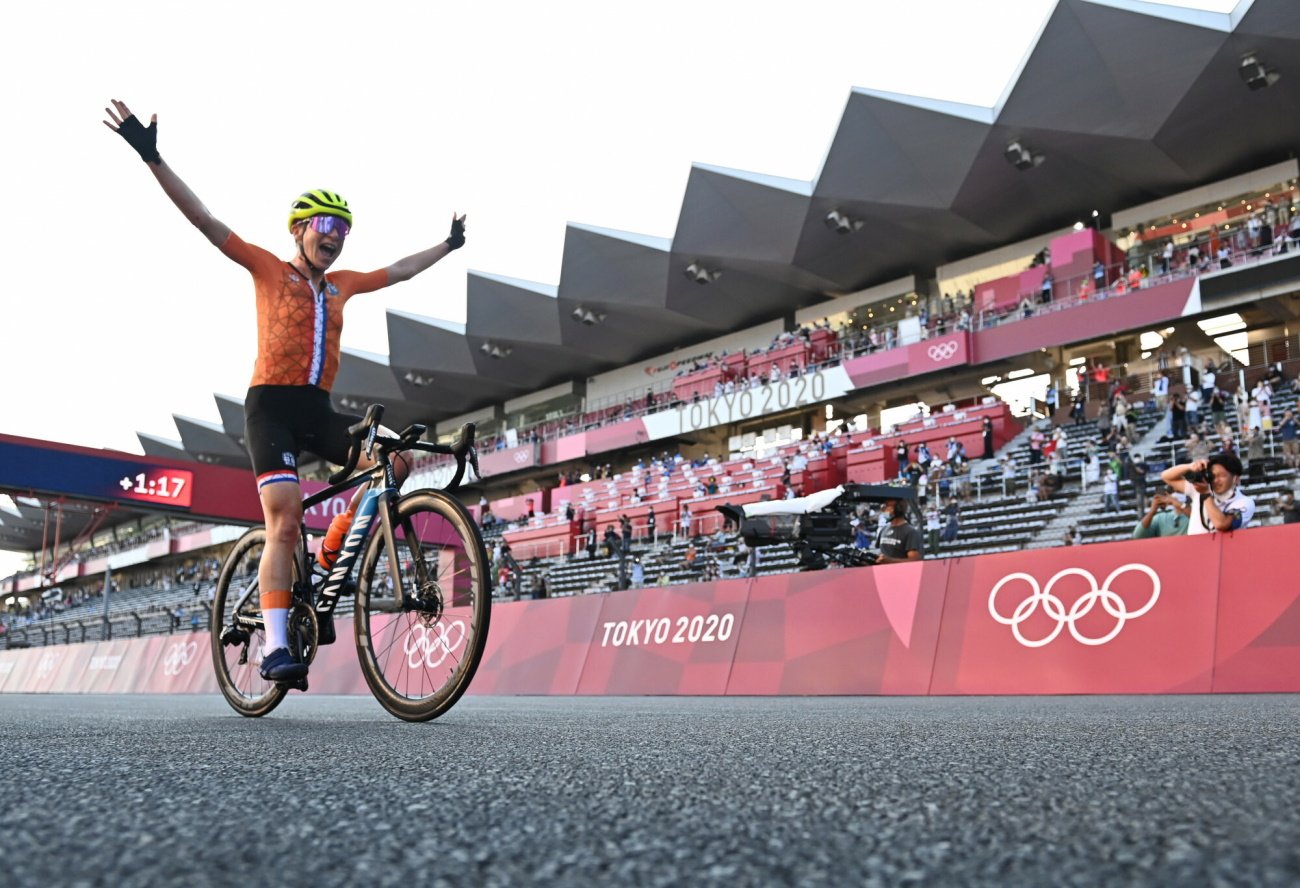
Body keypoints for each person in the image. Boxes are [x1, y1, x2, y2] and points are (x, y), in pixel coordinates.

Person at [105, 100, 466, 683]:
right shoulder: (270, 270)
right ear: (301, 229)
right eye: (328, 227)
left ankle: (330, 558)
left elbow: (399, 270)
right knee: (287, 517)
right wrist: (153, 157)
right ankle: (276, 647)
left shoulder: (343, 285)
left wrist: (447, 246)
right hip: (269, 407)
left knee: (392, 458)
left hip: (317, 410)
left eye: (345, 230)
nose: (337, 238)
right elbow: (203, 218)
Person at [1160, 452, 1256, 535]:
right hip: (1196, 549)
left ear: (1236, 479)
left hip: (1225, 552)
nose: (1216, 480)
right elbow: (1166, 476)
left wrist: (1205, 494)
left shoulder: (1245, 502)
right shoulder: (1200, 488)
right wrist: (1190, 466)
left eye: (1221, 475)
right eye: (1213, 475)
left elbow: (1222, 524)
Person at [874, 498, 923, 563]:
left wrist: (890, 561)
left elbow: (914, 560)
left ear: (898, 509)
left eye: (887, 506)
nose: (884, 510)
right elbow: (880, 552)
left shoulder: (910, 532)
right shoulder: (884, 529)